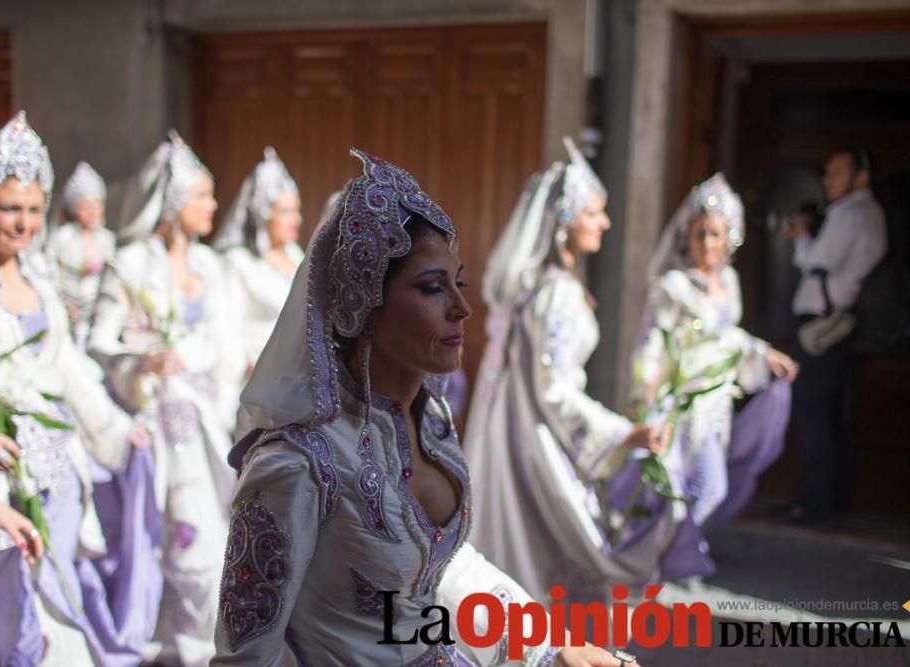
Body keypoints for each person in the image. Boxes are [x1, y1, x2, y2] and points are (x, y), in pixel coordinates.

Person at [212, 148, 635, 667]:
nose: (461, 308)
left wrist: (549, 648)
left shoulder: (428, 425)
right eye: (432, 288)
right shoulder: (297, 462)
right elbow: (246, 657)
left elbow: (442, 570)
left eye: (459, 284)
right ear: (364, 303)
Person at [0, 112, 159, 666]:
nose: (21, 224)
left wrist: (117, 430)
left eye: (31, 210)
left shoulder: (41, 282)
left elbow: (67, 367)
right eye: (7, 208)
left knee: (59, 594)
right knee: (2, 608)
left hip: (55, 469)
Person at [463, 137, 667, 604]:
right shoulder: (558, 295)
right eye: (594, 213)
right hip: (536, 437)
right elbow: (554, 390)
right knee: (560, 549)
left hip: (506, 429)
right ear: (565, 221)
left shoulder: (538, 287)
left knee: (513, 545)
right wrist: (623, 433)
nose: (605, 223)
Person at [88, 131, 238, 667]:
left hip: (209, 416)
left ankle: (211, 636)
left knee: (218, 527)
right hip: (156, 415)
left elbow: (226, 344)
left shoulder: (211, 267)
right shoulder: (129, 264)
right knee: (177, 532)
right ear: (174, 204)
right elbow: (100, 344)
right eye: (203, 196)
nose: (213, 206)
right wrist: (145, 364)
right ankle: (177, 641)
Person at [621, 173, 795, 578]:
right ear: (688, 236)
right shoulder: (673, 286)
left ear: (729, 237)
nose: (708, 244)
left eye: (716, 234)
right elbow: (650, 341)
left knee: (699, 486)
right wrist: (644, 394)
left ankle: (672, 556)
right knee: (704, 485)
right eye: (700, 234)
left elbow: (727, 334)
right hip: (686, 404)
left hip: (719, 401)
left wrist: (763, 352)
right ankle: (665, 555)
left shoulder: (728, 282)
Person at [784, 146, 887, 524]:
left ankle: (815, 504)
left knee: (815, 415)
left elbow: (816, 261)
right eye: (827, 172)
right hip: (833, 323)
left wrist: (802, 236)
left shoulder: (852, 213)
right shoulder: (863, 213)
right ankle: (825, 500)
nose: (828, 181)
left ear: (861, 178)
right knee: (827, 414)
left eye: (838, 172)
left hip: (822, 325)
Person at [213, 146, 304, 372]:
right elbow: (226, 325)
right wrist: (249, 363)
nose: (297, 219)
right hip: (259, 371)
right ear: (263, 213)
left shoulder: (296, 254)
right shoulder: (238, 262)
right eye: (285, 211)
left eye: (296, 210)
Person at [45, 161, 116, 350]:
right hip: (69, 311)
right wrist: (63, 304)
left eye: (96, 205)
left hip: (99, 312)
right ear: (74, 209)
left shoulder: (106, 240)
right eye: (85, 206)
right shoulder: (62, 238)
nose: (92, 212)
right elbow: (50, 272)